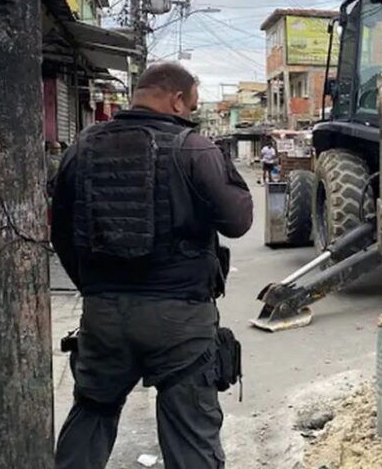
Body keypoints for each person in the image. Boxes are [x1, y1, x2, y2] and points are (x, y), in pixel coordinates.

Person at [52, 61, 253, 469]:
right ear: (177, 100)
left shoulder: (82, 147)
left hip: (104, 316)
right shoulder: (193, 148)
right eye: (191, 106)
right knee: (190, 435)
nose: (191, 115)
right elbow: (238, 221)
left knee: (91, 416)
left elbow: (61, 232)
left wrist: (95, 289)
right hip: (179, 322)